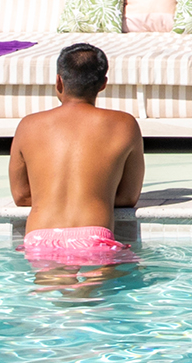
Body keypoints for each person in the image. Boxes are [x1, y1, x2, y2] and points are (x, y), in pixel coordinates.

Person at [9, 43, 146, 268]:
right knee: (96, 299)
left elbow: (21, 196)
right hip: (94, 238)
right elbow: (127, 198)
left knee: (48, 298)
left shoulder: (28, 125)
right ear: (103, 84)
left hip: (39, 238)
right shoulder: (124, 124)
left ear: (59, 81)